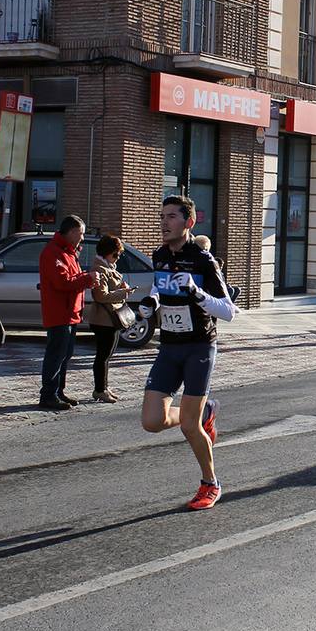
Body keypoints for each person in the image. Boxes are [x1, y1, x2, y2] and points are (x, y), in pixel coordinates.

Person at [139, 195, 239, 510]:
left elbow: (229, 311)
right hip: (169, 347)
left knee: (188, 426)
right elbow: (160, 286)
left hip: (199, 347)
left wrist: (197, 294)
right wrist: (151, 302)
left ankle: (210, 483)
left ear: (188, 222)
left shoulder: (203, 260)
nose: (164, 223)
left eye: (171, 217)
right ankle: (206, 411)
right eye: (162, 217)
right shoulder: (159, 256)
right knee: (151, 421)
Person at [38, 215, 96, 411]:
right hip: (59, 312)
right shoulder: (53, 253)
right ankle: (48, 395)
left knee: (65, 354)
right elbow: (62, 282)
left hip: (71, 312)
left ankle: (58, 391)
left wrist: (86, 277)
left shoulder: (69, 252)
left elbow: (72, 277)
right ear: (71, 232)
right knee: (56, 354)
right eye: (80, 233)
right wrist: (87, 279)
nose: (82, 238)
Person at [86, 234, 132, 403]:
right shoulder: (99, 268)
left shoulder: (108, 266)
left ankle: (103, 387)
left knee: (107, 355)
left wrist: (122, 288)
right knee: (102, 356)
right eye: (116, 254)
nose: (117, 257)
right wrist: (123, 292)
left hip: (110, 318)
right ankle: (99, 389)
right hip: (103, 320)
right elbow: (101, 295)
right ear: (107, 252)